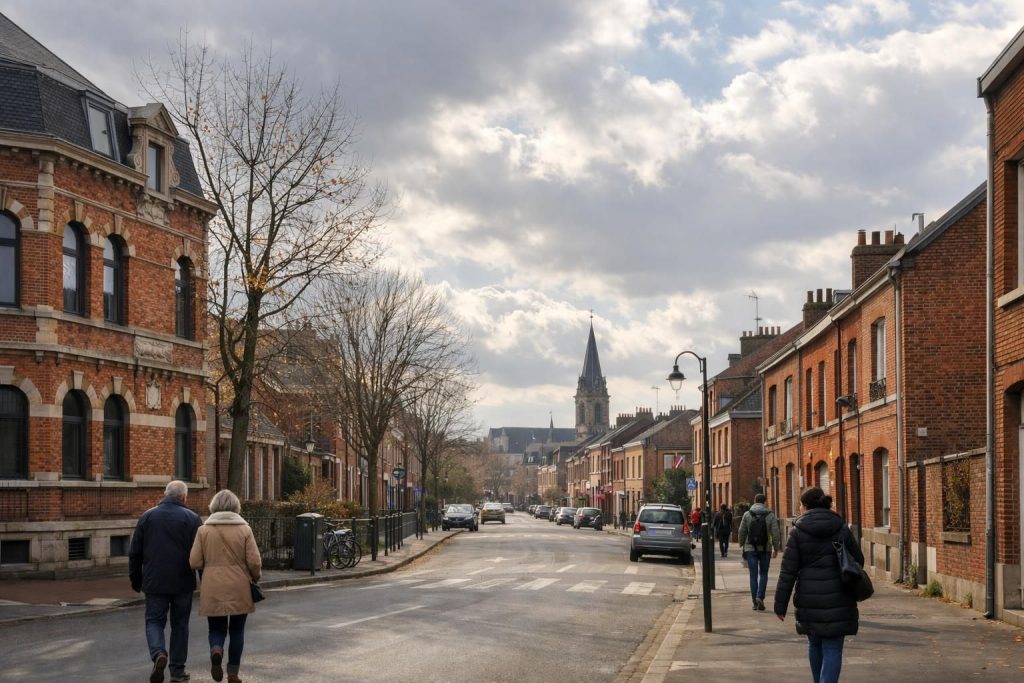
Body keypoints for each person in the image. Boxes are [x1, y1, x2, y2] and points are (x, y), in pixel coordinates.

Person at [774, 487, 864, 683]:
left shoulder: (797, 532)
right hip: (839, 597)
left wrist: (780, 605)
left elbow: (788, 572)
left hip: (809, 598)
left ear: (806, 506)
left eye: (800, 504)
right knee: (833, 647)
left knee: (814, 644)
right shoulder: (841, 527)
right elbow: (858, 560)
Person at [129, 480, 202, 683]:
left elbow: (135, 553)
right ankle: (177, 671)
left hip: (154, 581)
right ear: (184, 497)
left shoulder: (147, 516)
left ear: (165, 494)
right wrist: (204, 581)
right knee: (180, 625)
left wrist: (136, 580)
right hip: (182, 581)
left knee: (154, 621)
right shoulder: (193, 518)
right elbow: (200, 554)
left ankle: (158, 653)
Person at [190, 489, 262, 683]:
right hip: (239, 586)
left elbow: (194, 561)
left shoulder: (203, 530)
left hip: (212, 585)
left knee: (216, 628)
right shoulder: (244, 529)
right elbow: (254, 561)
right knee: (237, 630)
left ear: (214, 506)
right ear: (235, 506)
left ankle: (216, 649)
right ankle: (233, 674)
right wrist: (256, 577)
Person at [738, 493, 782, 610]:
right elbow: (776, 533)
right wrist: (776, 548)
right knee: (763, 573)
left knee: (753, 575)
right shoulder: (770, 515)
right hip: (765, 548)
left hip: (750, 548)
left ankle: (755, 602)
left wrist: (741, 544)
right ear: (765, 502)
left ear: (754, 501)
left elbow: (741, 531)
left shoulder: (747, 514)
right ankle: (760, 597)